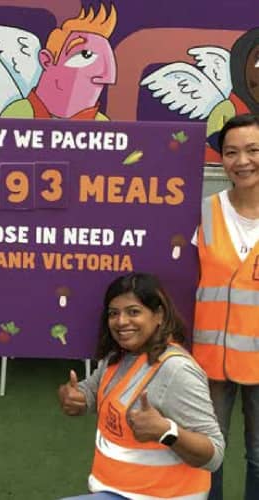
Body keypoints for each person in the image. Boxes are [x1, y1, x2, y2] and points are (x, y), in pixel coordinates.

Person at [58, 273, 224, 500]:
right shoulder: (119, 357)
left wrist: (167, 431)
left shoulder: (177, 370)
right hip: (116, 492)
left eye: (133, 312)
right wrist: (74, 396)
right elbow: (91, 391)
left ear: (159, 315)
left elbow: (214, 454)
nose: (121, 321)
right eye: (113, 314)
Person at [192, 113, 259, 500]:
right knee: (208, 456)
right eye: (231, 152)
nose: (242, 161)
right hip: (207, 362)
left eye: (253, 150)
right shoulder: (203, 211)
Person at [0, 4, 116, 120]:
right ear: (47, 61)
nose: (108, 77)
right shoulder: (19, 113)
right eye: (85, 55)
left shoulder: (101, 124)